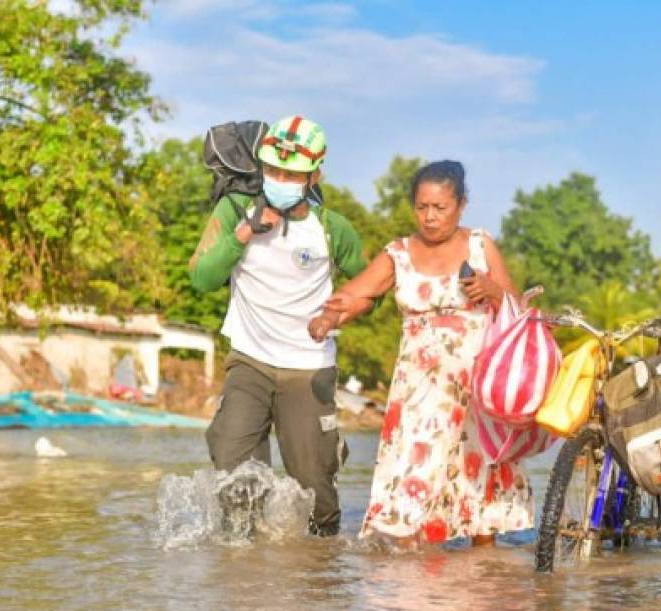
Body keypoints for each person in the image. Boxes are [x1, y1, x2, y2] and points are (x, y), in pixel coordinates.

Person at [310, 160, 533, 545]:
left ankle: (482, 585)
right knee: (414, 484)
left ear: (461, 204)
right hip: (419, 395)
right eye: (422, 207)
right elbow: (358, 292)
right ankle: (414, 592)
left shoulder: (480, 245)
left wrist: (493, 291)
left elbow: (522, 309)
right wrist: (328, 317)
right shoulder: (398, 253)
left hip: (476, 390)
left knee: (478, 489)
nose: (429, 217)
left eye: (440, 208)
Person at [189, 115, 369, 536]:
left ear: (315, 174)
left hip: (308, 369)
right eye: (272, 170)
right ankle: (245, 577)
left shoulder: (332, 228)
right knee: (233, 475)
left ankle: (321, 575)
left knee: (315, 494)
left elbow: (369, 287)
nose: (280, 179)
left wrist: (340, 312)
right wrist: (245, 233)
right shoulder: (235, 208)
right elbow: (201, 278)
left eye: (292, 174)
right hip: (249, 361)